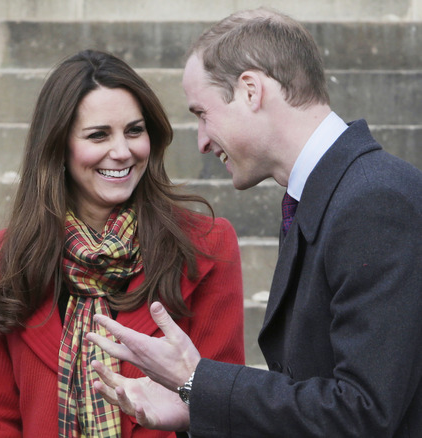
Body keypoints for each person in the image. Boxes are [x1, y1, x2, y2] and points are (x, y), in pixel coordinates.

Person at [87, 8, 422, 437]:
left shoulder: (375, 200)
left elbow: (362, 415)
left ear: (250, 91)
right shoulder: (331, 195)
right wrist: (197, 404)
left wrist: (197, 381)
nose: (203, 141)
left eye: (201, 113)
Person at [0, 49, 245, 437]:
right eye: (98, 135)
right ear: (59, 147)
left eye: (134, 130)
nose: (123, 152)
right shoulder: (7, 258)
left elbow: (226, 412)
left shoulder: (207, 245)